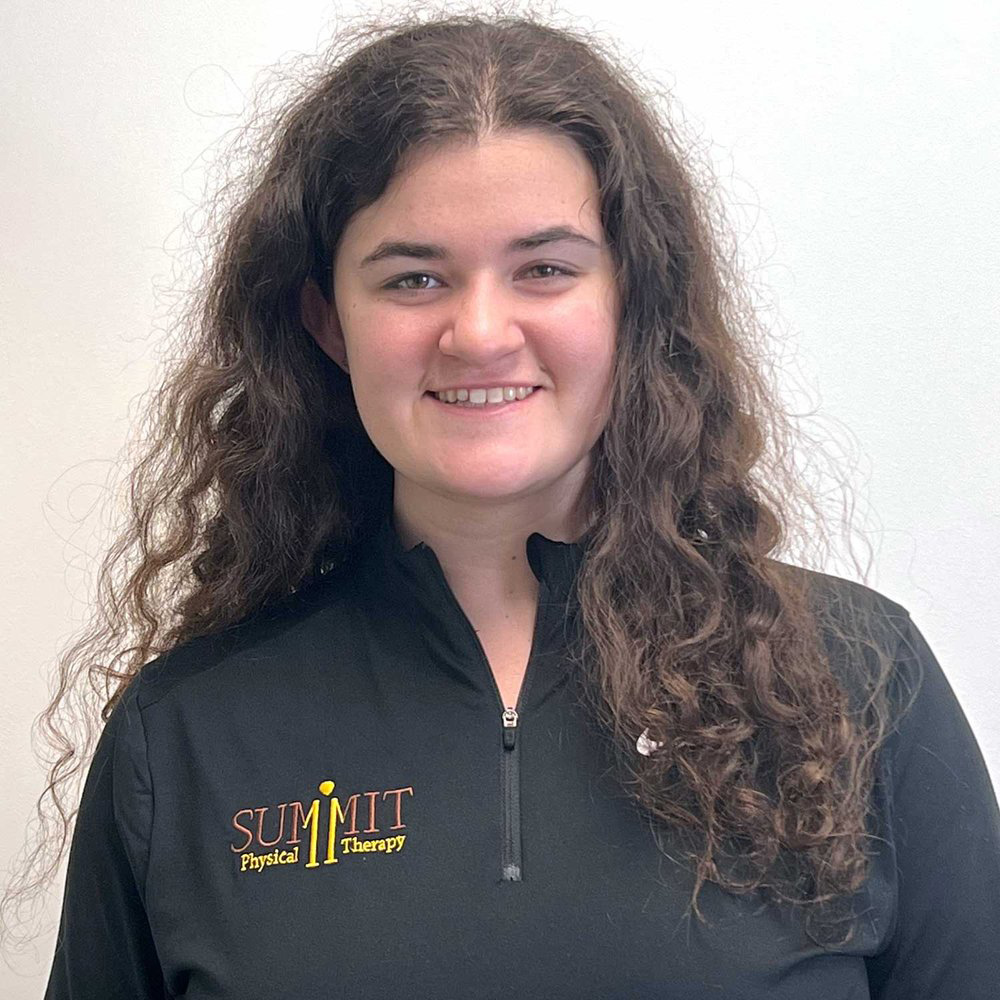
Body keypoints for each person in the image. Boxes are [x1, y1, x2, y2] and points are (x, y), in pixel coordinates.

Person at [6, 9, 998, 999]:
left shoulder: (856, 685)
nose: (478, 331)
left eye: (546, 270)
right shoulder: (186, 733)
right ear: (328, 322)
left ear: (631, 300)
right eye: (414, 277)